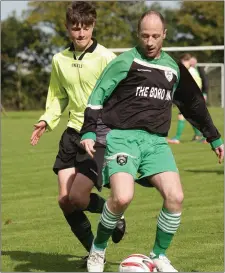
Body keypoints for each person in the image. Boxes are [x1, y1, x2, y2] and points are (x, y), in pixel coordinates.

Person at [80, 10, 224, 272]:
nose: (149, 41)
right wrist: (89, 131)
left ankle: (159, 254)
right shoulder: (125, 62)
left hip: (157, 143)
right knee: (122, 198)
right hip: (122, 138)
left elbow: (193, 104)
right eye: (145, 35)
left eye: (155, 36)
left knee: (175, 196)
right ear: (138, 34)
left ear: (164, 35)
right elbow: (97, 94)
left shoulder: (173, 68)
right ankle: (98, 249)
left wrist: (214, 137)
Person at [30, 1, 126, 264]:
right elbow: (58, 96)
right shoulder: (59, 60)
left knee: (77, 197)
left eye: (85, 28)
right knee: (64, 200)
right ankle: (95, 254)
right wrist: (46, 120)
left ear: (93, 26)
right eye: (75, 28)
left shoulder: (107, 58)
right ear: (67, 28)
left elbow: (120, 96)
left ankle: (113, 213)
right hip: (72, 134)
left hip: (97, 135)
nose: (81, 34)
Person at [168, 54, 209, 144]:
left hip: (192, 97)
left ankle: (177, 138)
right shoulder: (190, 71)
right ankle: (201, 135)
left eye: (184, 62)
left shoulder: (190, 71)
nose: (182, 64)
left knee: (183, 116)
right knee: (191, 117)